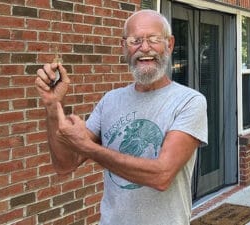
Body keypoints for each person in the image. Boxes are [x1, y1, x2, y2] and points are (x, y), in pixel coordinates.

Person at [35, 9, 207, 225]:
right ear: (124, 46)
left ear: (169, 44)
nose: (144, 48)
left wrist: (86, 147)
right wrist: (52, 106)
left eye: (154, 39)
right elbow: (65, 165)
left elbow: (161, 175)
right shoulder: (110, 100)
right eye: (135, 40)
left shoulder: (189, 101)